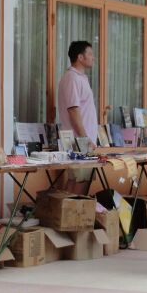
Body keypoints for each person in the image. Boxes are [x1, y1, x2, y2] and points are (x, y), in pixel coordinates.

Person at [57, 40, 97, 192]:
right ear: (80, 57)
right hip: (78, 141)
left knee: (80, 182)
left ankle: (71, 208)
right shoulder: (72, 78)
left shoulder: (80, 78)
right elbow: (73, 110)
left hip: (82, 140)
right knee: (78, 184)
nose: (93, 57)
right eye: (90, 54)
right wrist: (85, 139)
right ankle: (70, 209)